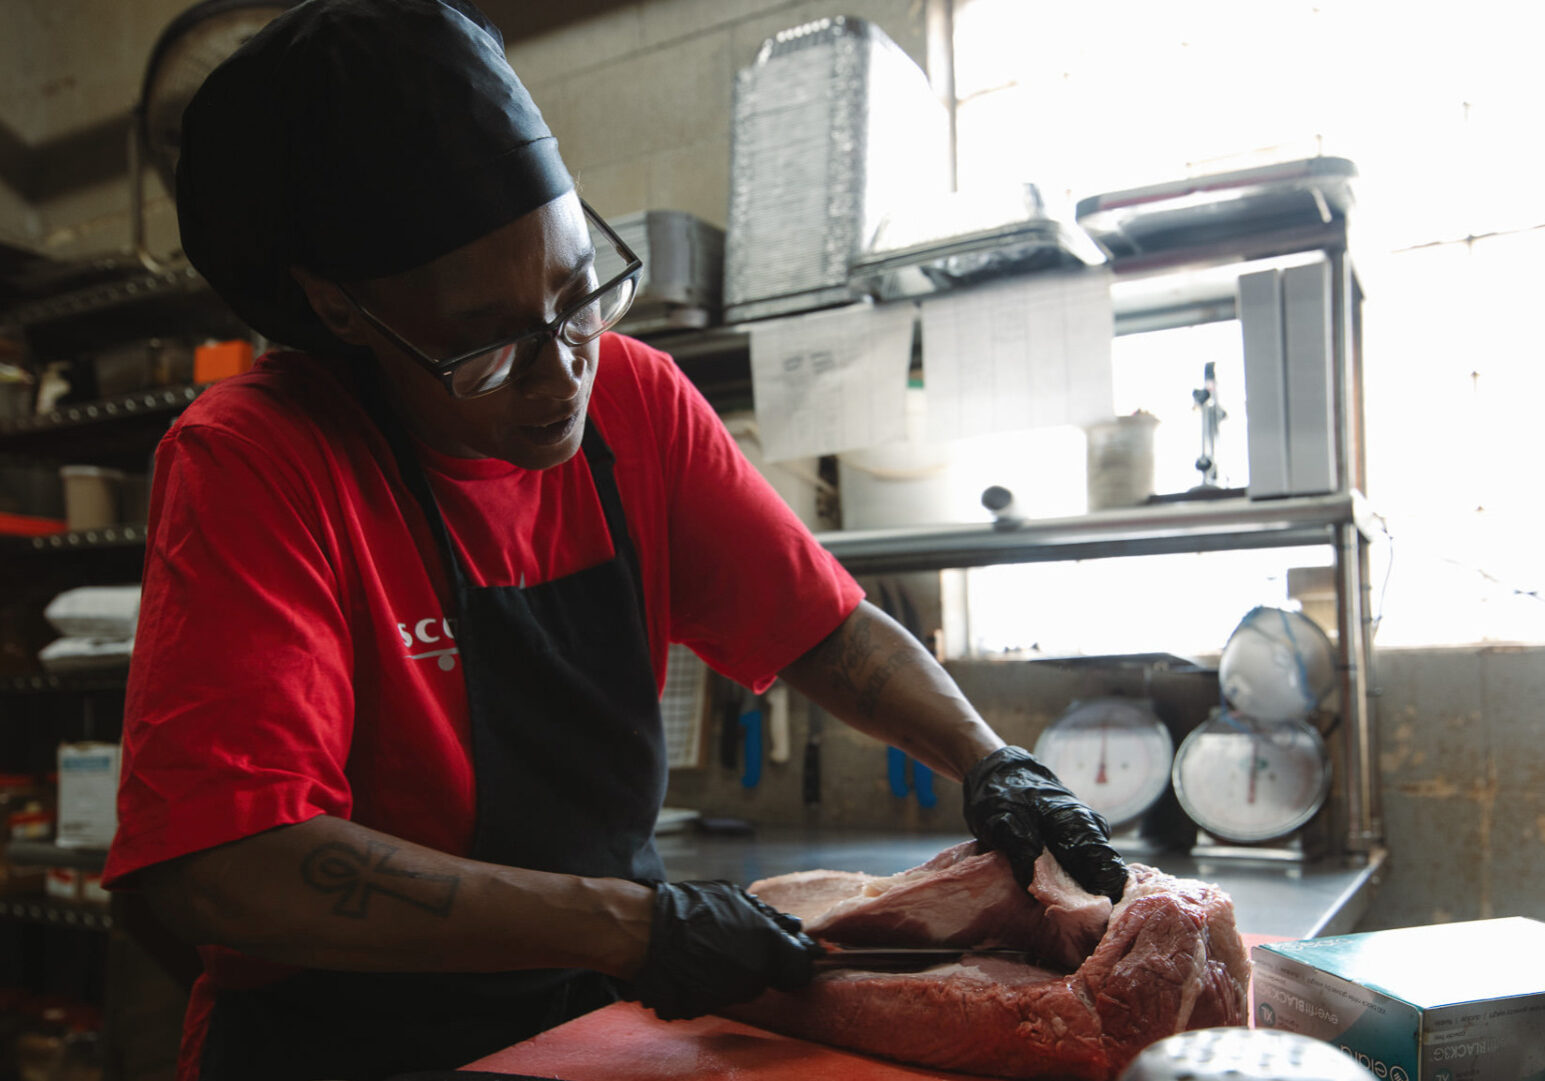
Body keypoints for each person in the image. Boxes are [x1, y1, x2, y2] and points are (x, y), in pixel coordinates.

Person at [102, 2, 1128, 1078]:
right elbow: (227, 865)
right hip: (342, 1041)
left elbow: (824, 631)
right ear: (342, 308)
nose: (560, 378)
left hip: (589, 1019)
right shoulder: (258, 459)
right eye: (485, 346)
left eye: (576, 291)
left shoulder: (635, 400)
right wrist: (634, 924)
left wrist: (990, 759)